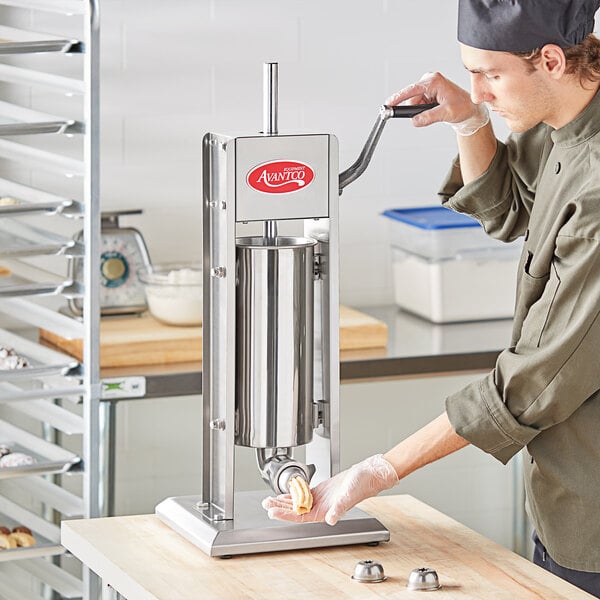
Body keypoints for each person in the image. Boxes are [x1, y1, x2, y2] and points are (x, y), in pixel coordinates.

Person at [262, 0, 600, 596]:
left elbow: (536, 382)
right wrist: (470, 119)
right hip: (568, 483)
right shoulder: (568, 110)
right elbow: (511, 209)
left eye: (490, 74)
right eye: (469, 72)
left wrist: (378, 471)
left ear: (550, 59)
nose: (480, 88)